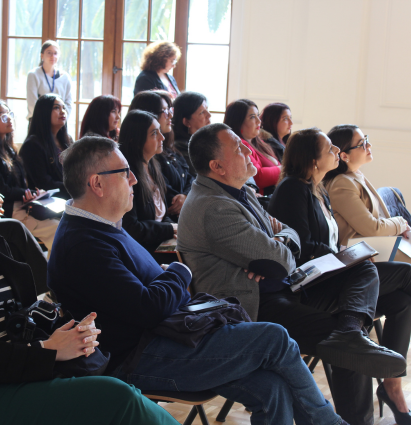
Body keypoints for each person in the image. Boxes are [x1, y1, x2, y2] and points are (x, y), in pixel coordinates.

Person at [48, 135, 351, 425]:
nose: (134, 180)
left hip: (168, 335)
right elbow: (149, 308)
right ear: (97, 184)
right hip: (138, 358)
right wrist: (181, 271)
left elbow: (152, 294)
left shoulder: (100, 226)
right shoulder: (83, 244)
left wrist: (172, 276)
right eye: (125, 173)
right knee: (275, 338)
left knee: (270, 387)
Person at [176, 123, 406, 425]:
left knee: (361, 266)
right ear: (217, 166)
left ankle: (350, 330)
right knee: (344, 348)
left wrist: (278, 242)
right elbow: (280, 260)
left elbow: (288, 234)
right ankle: (352, 381)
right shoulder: (213, 207)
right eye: (238, 148)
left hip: (282, 288)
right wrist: (277, 247)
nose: (249, 150)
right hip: (253, 308)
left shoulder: (239, 191)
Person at [268, 127, 411, 425]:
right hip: (309, 282)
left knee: (402, 301)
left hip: (330, 273)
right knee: (400, 272)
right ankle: (351, 329)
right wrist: (340, 253)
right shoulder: (293, 189)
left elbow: (325, 240)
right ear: (313, 160)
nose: (336, 154)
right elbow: (298, 245)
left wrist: (341, 251)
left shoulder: (318, 189)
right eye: (329, 150)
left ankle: (390, 384)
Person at [0, 308, 177, 425]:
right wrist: (47, 348)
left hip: (28, 365)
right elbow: (152, 307)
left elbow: (26, 316)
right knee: (116, 397)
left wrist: (72, 335)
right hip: (15, 374)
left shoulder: (9, 252)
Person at [324, 124, 410, 246]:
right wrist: (401, 223)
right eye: (362, 143)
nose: (369, 145)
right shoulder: (341, 184)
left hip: (378, 243)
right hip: (368, 252)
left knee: (393, 193)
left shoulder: (354, 174)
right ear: (344, 156)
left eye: (366, 140)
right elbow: (373, 229)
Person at [0, 100, 59, 257]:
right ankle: (51, 277)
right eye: (3, 116)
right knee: (56, 231)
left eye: (10, 114)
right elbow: (3, 191)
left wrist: (31, 194)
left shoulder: (9, 149)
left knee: (61, 227)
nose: (9, 118)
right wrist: (26, 193)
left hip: (21, 206)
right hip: (10, 211)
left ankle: (53, 275)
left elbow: (19, 184)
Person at [129, 91, 193, 220]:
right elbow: (167, 197)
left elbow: (190, 177)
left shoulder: (169, 148)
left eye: (170, 110)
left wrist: (186, 195)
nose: (170, 115)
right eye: (164, 111)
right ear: (148, 114)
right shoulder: (149, 156)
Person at [119, 110, 177, 254]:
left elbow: (163, 215)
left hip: (157, 243)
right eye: (154, 133)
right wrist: (170, 229)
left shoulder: (153, 166)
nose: (162, 138)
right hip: (140, 251)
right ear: (135, 139)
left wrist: (173, 229)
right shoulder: (127, 176)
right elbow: (132, 228)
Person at [20, 94, 72, 200]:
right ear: (44, 111)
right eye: (57, 107)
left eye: (64, 108)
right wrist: (76, 188)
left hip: (70, 197)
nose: (63, 112)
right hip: (47, 201)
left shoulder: (67, 140)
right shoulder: (32, 145)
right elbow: (44, 183)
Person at [224, 99, 280, 195]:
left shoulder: (260, 143)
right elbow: (258, 177)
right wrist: (285, 169)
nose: (259, 121)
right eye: (252, 117)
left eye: (258, 116)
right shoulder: (239, 145)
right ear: (238, 122)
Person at [26, 40, 72, 122]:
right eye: (49, 53)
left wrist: (61, 118)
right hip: (38, 122)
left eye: (55, 53)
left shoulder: (65, 77)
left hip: (60, 122)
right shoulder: (33, 75)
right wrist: (47, 120)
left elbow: (69, 102)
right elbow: (32, 103)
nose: (52, 56)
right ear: (42, 55)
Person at [172, 91, 211, 176]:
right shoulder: (183, 148)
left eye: (207, 110)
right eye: (201, 113)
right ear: (186, 121)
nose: (209, 115)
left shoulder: (203, 142)